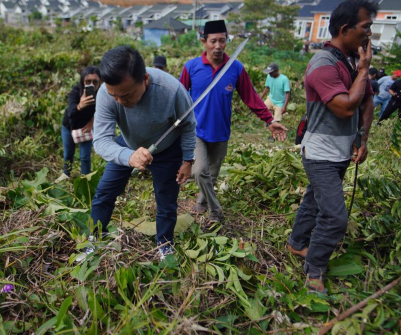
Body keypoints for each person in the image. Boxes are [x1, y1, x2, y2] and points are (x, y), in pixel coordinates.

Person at [287, 0, 376, 294]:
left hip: (340, 152)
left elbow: (367, 99)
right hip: (320, 154)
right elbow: (346, 107)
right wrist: (363, 70)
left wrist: (361, 138)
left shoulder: (350, 60)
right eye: (365, 28)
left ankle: (297, 243)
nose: (369, 35)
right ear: (345, 28)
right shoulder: (323, 64)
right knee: (335, 216)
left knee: (315, 199)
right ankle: (314, 269)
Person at [83, 46, 196, 262]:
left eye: (126, 96)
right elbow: (101, 141)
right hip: (127, 145)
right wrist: (128, 156)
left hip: (167, 149)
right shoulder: (107, 94)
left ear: (144, 78)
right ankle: (95, 240)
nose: (120, 102)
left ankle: (165, 244)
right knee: (104, 193)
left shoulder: (171, 90)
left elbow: (189, 126)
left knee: (166, 201)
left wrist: (188, 159)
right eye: (114, 96)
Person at [179, 20, 287, 225]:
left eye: (222, 41)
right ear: (204, 42)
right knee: (200, 171)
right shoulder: (191, 67)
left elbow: (251, 97)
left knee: (212, 174)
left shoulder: (235, 68)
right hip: (196, 130)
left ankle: (202, 202)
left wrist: (269, 120)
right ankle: (215, 211)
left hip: (221, 131)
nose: (218, 46)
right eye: (213, 41)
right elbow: (178, 94)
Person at [60, 66, 101, 177]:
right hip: (69, 126)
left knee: (85, 156)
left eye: (95, 82)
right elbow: (70, 113)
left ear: (100, 82)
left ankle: (86, 178)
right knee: (68, 154)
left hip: (86, 127)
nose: (91, 85)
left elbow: (105, 112)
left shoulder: (101, 94)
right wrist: (80, 105)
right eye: (88, 81)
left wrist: (92, 121)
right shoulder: (75, 91)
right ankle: (66, 174)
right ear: (83, 81)